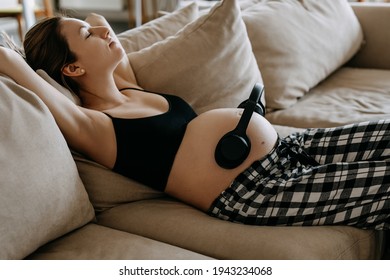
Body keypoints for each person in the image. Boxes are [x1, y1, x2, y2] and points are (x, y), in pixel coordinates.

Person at [1, 15, 389, 231]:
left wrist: (86, 29)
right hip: (257, 190)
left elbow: (99, 19)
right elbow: (16, 66)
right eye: (89, 36)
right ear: (72, 67)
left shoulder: (127, 88)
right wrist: (27, 58)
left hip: (289, 148)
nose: (105, 32)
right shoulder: (95, 126)